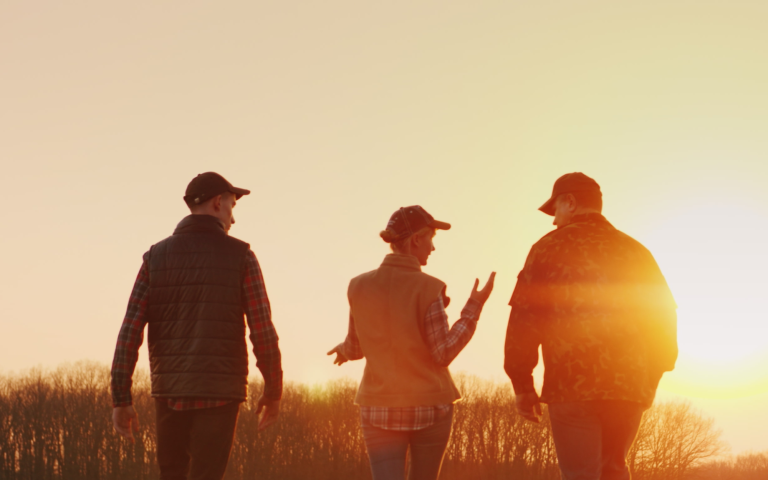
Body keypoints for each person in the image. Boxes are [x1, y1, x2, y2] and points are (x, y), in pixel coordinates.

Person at [504, 172, 678, 480]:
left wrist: (522, 385)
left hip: (571, 388)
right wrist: (650, 380)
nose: (553, 220)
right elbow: (664, 319)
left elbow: (524, 319)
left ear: (570, 202)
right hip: (628, 388)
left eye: (555, 209)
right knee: (614, 470)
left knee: (580, 475)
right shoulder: (636, 252)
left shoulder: (546, 249)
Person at [110, 172, 283, 480]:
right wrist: (273, 390)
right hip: (220, 392)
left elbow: (129, 331)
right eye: (232, 206)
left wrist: (121, 398)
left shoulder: (154, 258)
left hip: (169, 392)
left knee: (172, 474)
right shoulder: (242, 257)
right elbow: (262, 329)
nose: (233, 219)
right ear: (218, 203)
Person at [327, 206, 495, 480]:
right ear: (416, 239)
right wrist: (473, 307)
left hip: (377, 408)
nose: (433, 248)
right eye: (431, 238)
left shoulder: (358, 286)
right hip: (429, 407)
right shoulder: (429, 288)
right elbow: (443, 352)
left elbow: (356, 347)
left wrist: (343, 350)